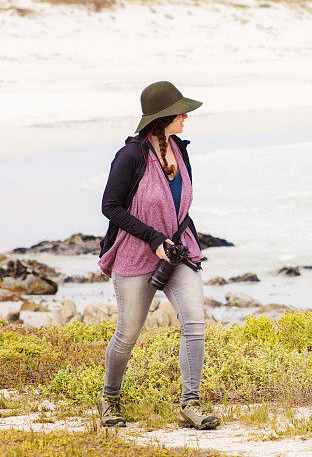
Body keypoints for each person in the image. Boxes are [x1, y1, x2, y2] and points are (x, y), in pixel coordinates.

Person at [95, 80, 219, 430]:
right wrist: (153, 238)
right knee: (128, 334)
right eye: (180, 112)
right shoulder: (132, 155)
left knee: (195, 323)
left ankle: (190, 404)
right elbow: (110, 207)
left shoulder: (179, 149)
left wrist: (177, 240)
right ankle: (110, 397)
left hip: (177, 252)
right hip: (136, 254)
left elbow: (178, 205)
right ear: (162, 116)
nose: (185, 117)